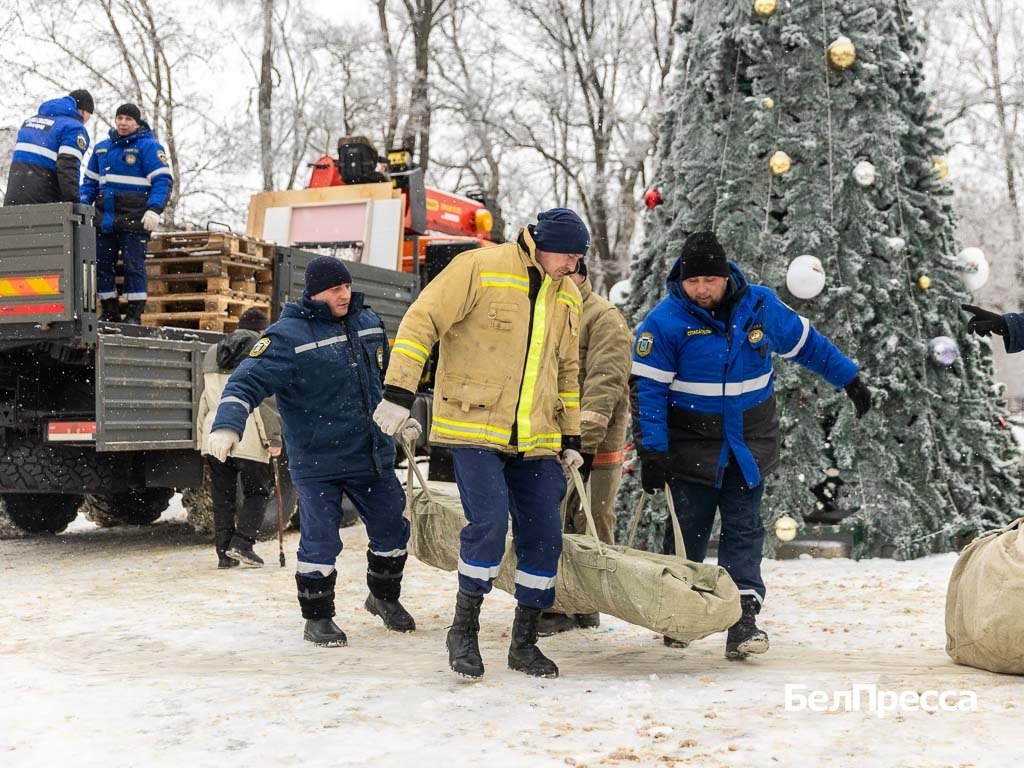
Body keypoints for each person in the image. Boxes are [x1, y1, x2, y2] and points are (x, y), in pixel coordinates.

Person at [631, 231, 871, 659]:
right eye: (693, 281)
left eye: (710, 280)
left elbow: (809, 346)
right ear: (681, 281)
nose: (702, 289)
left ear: (726, 276)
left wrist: (848, 378)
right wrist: (652, 451)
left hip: (748, 443)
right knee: (687, 534)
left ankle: (743, 622)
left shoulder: (759, 306)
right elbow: (647, 392)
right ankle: (678, 614)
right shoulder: (664, 322)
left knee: (743, 530)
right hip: (690, 449)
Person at [374, 207, 586, 679]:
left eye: (577, 259)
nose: (573, 266)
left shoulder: (569, 296)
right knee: (488, 523)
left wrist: (571, 434)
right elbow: (421, 320)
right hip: (473, 429)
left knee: (545, 537)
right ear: (542, 244)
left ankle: (523, 643)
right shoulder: (479, 267)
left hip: (537, 440)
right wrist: (398, 393)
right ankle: (463, 631)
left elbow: (567, 373)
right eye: (568, 256)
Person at [208, 257, 421, 647]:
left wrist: (400, 412)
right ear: (314, 293)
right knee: (320, 541)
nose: (345, 294)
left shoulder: (368, 322)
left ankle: (384, 598)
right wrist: (227, 425)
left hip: (371, 454)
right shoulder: (286, 336)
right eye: (335, 289)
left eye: (347, 286)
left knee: (393, 530)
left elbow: (386, 378)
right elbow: (244, 382)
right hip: (318, 461)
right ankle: (318, 617)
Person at [538, 259, 633, 637]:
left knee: (590, 522)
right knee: (556, 521)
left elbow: (604, 383)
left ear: (580, 274)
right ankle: (562, 602)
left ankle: (584, 603)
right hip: (555, 441)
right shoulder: (553, 310)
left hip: (593, 446)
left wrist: (584, 445)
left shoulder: (603, 318)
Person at [196, 307, 281, 569]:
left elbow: (204, 400)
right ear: (261, 329)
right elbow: (266, 402)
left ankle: (224, 553)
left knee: (223, 496)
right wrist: (274, 438)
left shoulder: (214, 351)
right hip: (249, 434)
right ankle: (242, 544)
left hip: (215, 434)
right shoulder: (262, 349)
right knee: (257, 492)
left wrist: (202, 439)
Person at [80, 103, 173, 324]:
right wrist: (83, 206)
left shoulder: (149, 148)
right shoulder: (102, 148)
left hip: (135, 218)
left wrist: (154, 209)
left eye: (128, 119)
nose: (123, 123)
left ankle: (134, 314)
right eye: (119, 118)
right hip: (105, 220)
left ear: (137, 122)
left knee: (134, 267)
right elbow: (89, 184)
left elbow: (163, 181)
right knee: (102, 267)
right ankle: (110, 312)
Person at [4, 90, 93, 206]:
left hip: (13, 197)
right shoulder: (74, 128)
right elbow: (68, 167)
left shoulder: (30, 121)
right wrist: (73, 203)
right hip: (43, 200)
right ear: (84, 112)